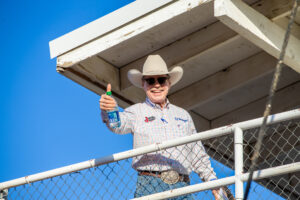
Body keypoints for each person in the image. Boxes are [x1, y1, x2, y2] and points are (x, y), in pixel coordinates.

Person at [100, 55, 226, 199]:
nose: (157, 85)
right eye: (150, 80)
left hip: (182, 186)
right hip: (150, 185)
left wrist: (213, 182)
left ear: (168, 83)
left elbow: (197, 154)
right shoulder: (136, 111)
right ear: (143, 84)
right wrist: (110, 111)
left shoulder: (183, 115)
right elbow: (117, 125)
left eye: (161, 80)